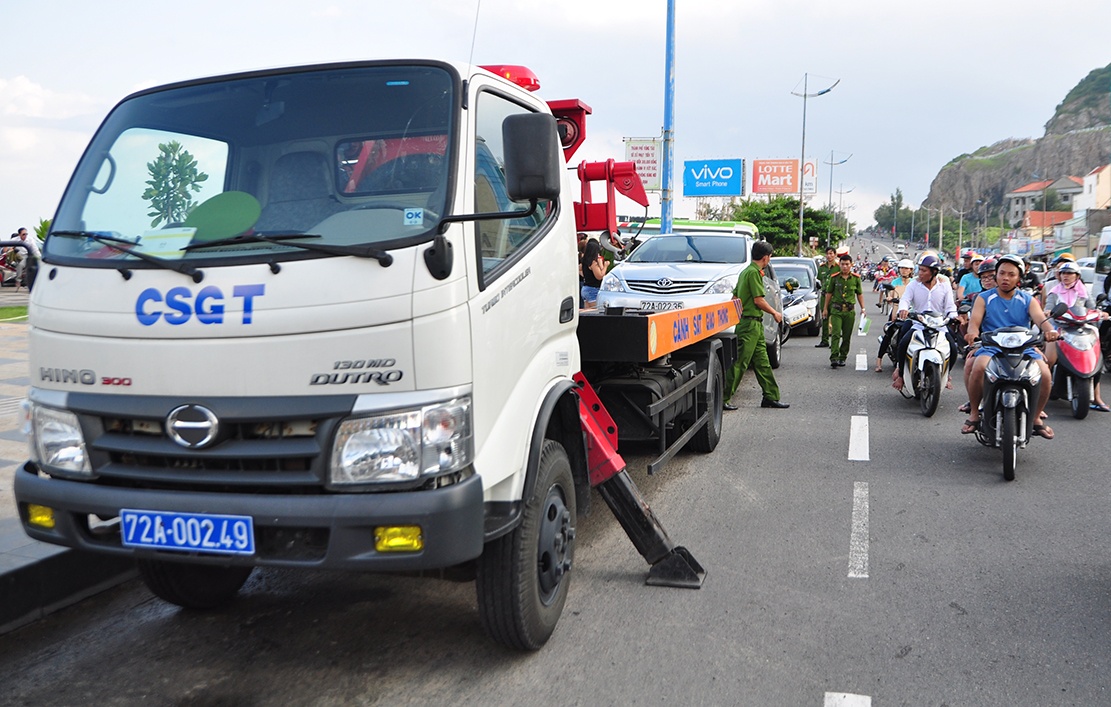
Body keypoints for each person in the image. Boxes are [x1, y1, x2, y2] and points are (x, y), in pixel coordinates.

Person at [962, 255, 1059, 437]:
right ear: (995, 276)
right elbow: (974, 322)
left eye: (1011, 274)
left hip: (1024, 347)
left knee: (1045, 374)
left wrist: (1049, 331)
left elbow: (1041, 320)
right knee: (978, 366)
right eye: (1002, 273)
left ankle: (1036, 417)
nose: (1005, 278)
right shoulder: (984, 298)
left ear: (1019, 278)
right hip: (992, 346)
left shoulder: (1028, 300)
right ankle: (975, 413)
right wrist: (972, 333)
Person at [724, 240, 788, 410]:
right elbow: (758, 300)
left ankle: (771, 396)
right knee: (740, 363)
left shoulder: (747, 272)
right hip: (749, 324)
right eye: (770, 257)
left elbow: (735, 297)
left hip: (755, 324)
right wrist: (775, 313)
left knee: (763, 362)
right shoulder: (753, 273)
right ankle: (723, 398)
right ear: (766, 258)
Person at [1043, 259, 1110, 412]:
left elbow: (1093, 308)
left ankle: (1097, 397)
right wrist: (1048, 312)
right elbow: (1048, 309)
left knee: (1094, 359)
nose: (1066, 276)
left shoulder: (1084, 292)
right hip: (1059, 328)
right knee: (1050, 359)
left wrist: (1101, 314)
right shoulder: (1055, 292)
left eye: (1070, 273)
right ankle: (1043, 392)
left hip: (1082, 327)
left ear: (1077, 276)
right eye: (1063, 273)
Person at [891, 254, 957, 391]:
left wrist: (954, 317)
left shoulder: (945, 287)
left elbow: (950, 307)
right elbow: (905, 299)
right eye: (919, 269)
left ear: (934, 272)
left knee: (954, 348)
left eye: (924, 270)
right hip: (919, 325)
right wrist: (903, 309)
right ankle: (901, 375)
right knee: (903, 344)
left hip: (939, 326)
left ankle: (946, 375)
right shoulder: (913, 285)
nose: (920, 273)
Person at [822, 253, 865, 369]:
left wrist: (863, 309)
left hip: (849, 312)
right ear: (839, 265)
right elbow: (829, 293)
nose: (845, 266)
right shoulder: (834, 278)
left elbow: (859, 294)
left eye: (847, 264)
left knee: (847, 336)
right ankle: (834, 357)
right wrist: (825, 308)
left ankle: (842, 357)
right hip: (836, 310)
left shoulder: (856, 279)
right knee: (835, 334)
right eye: (842, 264)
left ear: (851, 265)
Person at [873, 258, 916, 372]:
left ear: (911, 270)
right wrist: (890, 298)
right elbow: (890, 295)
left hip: (912, 313)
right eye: (902, 268)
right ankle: (879, 361)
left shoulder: (915, 283)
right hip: (897, 311)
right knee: (889, 332)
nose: (904, 270)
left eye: (906, 268)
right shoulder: (895, 282)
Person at [815, 246, 838, 348]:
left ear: (835, 255)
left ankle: (834, 341)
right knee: (824, 318)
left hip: (834, 296)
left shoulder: (838, 267)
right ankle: (824, 340)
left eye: (831, 253)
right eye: (827, 254)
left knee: (834, 319)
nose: (829, 256)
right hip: (824, 296)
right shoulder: (822, 267)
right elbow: (820, 280)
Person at [579, 236, 607, 309]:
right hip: (593, 289)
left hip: (585, 288)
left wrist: (586, 276)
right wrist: (605, 266)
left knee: (587, 311)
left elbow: (579, 269)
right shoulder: (593, 263)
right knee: (594, 312)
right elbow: (600, 276)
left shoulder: (584, 261)